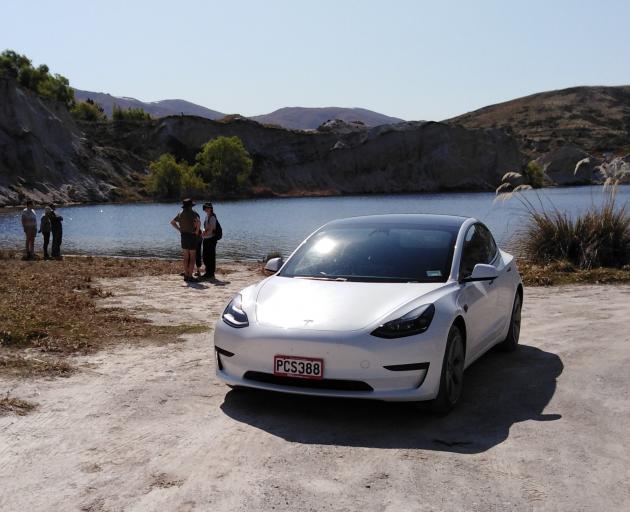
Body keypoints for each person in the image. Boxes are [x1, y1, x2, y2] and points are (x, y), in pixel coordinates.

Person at [170, 198, 201, 282]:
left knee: (186, 257)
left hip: (183, 236)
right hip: (192, 236)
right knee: (192, 257)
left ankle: (186, 275)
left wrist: (179, 229)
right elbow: (198, 222)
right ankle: (190, 276)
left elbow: (172, 222)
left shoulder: (180, 213)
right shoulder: (193, 213)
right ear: (191, 206)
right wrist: (197, 231)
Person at [201, 202, 218, 280]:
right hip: (206, 239)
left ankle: (211, 274)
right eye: (205, 208)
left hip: (211, 239)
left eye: (208, 208)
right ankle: (208, 272)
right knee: (205, 257)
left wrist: (204, 234)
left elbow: (212, 229)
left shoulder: (213, 217)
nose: (206, 209)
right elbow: (205, 227)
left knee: (211, 257)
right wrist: (203, 231)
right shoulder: (206, 216)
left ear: (211, 208)